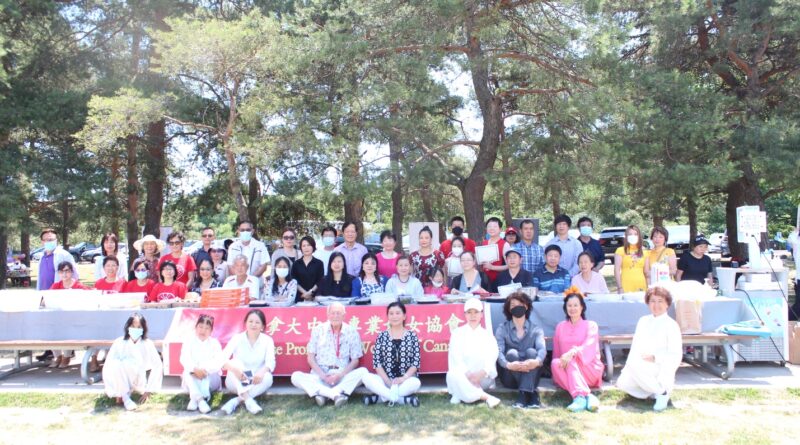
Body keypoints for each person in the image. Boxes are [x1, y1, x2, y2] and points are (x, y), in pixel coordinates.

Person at [616, 286, 682, 412]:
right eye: (652, 301)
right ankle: (652, 391)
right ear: (647, 303)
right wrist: (628, 368)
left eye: (660, 301)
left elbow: (675, 355)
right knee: (622, 382)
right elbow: (635, 348)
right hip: (641, 365)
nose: (656, 305)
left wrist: (655, 358)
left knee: (635, 365)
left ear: (667, 304)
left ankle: (662, 393)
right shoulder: (643, 321)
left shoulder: (671, 325)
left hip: (660, 367)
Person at [291, 302, 368, 407]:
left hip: (341, 374)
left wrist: (340, 375)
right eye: (333, 313)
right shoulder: (318, 330)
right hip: (320, 374)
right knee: (295, 376)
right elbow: (310, 358)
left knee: (363, 372)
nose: (335, 316)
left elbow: (355, 361)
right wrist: (323, 376)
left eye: (338, 313)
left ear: (344, 316)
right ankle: (336, 395)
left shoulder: (352, 332)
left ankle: (323, 394)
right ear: (328, 315)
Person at [551, 288, 605, 412]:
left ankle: (579, 397)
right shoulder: (560, 327)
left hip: (588, 368)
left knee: (570, 360)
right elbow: (558, 353)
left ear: (582, 307)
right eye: (569, 305)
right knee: (555, 363)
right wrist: (563, 360)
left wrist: (572, 352)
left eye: (576, 305)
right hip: (568, 371)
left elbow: (588, 347)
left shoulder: (591, 325)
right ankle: (586, 395)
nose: (572, 308)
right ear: (565, 308)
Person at [363, 302, 422, 406]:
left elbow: (415, 363)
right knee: (366, 378)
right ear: (387, 317)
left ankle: (382, 398)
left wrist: (403, 378)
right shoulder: (382, 336)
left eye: (398, 313)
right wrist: (388, 382)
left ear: (404, 316)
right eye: (391, 313)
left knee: (416, 383)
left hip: (405, 381)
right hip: (385, 381)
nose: (394, 316)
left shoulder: (412, 336)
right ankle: (400, 399)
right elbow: (377, 363)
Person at [446, 298, 501, 408]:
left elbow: (492, 356)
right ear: (465, 315)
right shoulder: (457, 333)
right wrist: (468, 374)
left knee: (457, 382)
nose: (473, 316)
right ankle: (487, 397)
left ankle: (460, 394)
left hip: (482, 379)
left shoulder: (488, 335)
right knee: (452, 374)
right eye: (469, 312)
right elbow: (455, 357)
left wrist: (481, 373)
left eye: (476, 312)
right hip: (463, 376)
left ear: (481, 314)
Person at [495, 291, 546, 409]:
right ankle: (532, 394)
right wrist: (508, 365)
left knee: (532, 352)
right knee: (511, 353)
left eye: (520, 304)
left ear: (526, 306)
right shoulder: (502, 329)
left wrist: (537, 361)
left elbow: (541, 349)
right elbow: (498, 351)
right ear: (508, 309)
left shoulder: (536, 329)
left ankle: (523, 395)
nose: (517, 307)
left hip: (532, 373)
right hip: (510, 377)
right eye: (513, 305)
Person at [219, 310, 276, 415]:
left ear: (262, 326)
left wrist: (262, 372)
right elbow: (221, 359)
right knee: (236, 363)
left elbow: (270, 362)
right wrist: (234, 370)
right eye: (250, 321)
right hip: (237, 380)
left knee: (268, 377)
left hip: (255, 380)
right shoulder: (237, 338)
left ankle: (236, 401)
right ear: (245, 323)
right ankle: (248, 400)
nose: (253, 324)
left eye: (257, 322)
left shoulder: (267, 340)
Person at [103, 313, 163, 411]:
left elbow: (157, 365)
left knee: (127, 363)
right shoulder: (119, 342)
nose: (135, 329)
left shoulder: (147, 344)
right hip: (119, 377)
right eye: (133, 326)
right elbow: (108, 364)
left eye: (139, 327)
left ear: (143, 328)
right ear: (128, 327)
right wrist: (110, 385)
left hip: (138, 379)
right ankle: (125, 397)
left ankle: (122, 395)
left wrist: (149, 390)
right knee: (117, 363)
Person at [49, 261, 89, 369]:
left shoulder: (79, 286)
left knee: (67, 330)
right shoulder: (56, 286)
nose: (64, 274)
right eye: (61, 271)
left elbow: (89, 299)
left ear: (71, 272)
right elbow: (48, 300)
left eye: (67, 271)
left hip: (75, 319)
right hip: (58, 319)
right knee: (50, 329)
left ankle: (66, 356)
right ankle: (57, 356)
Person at [180, 314, 222, 414]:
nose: (203, 331)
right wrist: (195, 369)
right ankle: (200, 400)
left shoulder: (215, 343)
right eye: (201, 327)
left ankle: (194, 399)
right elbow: (184, 359)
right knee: (187, 373)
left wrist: (204, 371)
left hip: (211, 378)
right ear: (196, 327)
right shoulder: (188, 341)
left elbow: (218, 361)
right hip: (193, 376)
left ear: (211, 331)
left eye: (207, 328)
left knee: (205, 377)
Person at [614, 225, 648, 293]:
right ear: (626, 236)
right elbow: (616, 270)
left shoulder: (644, 251)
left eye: (635, 234)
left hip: (641, 285)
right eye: (630, 234)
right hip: (625, 285)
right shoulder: (620, 250)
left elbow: (646, 272)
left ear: (639, 236)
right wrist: (620, 287)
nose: (633, 236)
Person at [292, 236, 325, 302]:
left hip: (314, 298)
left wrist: (310, 292)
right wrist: (305, 293)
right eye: (304, 246)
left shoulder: (319, 263)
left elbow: (320, 280)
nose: (306, 248)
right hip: (300, 297)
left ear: (313, 246)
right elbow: (294, 281)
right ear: (301, 248)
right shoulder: (296, 264)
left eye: (309, 245)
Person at [480, 217, 510, 284]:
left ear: (500, 229)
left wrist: (492, 267)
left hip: (499, 280)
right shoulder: (484, 243)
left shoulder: (505, 244)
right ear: (486, 229)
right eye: (489, 226)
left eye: (495, 226)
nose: (491, 228)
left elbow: (509, 265)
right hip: (485, 279)